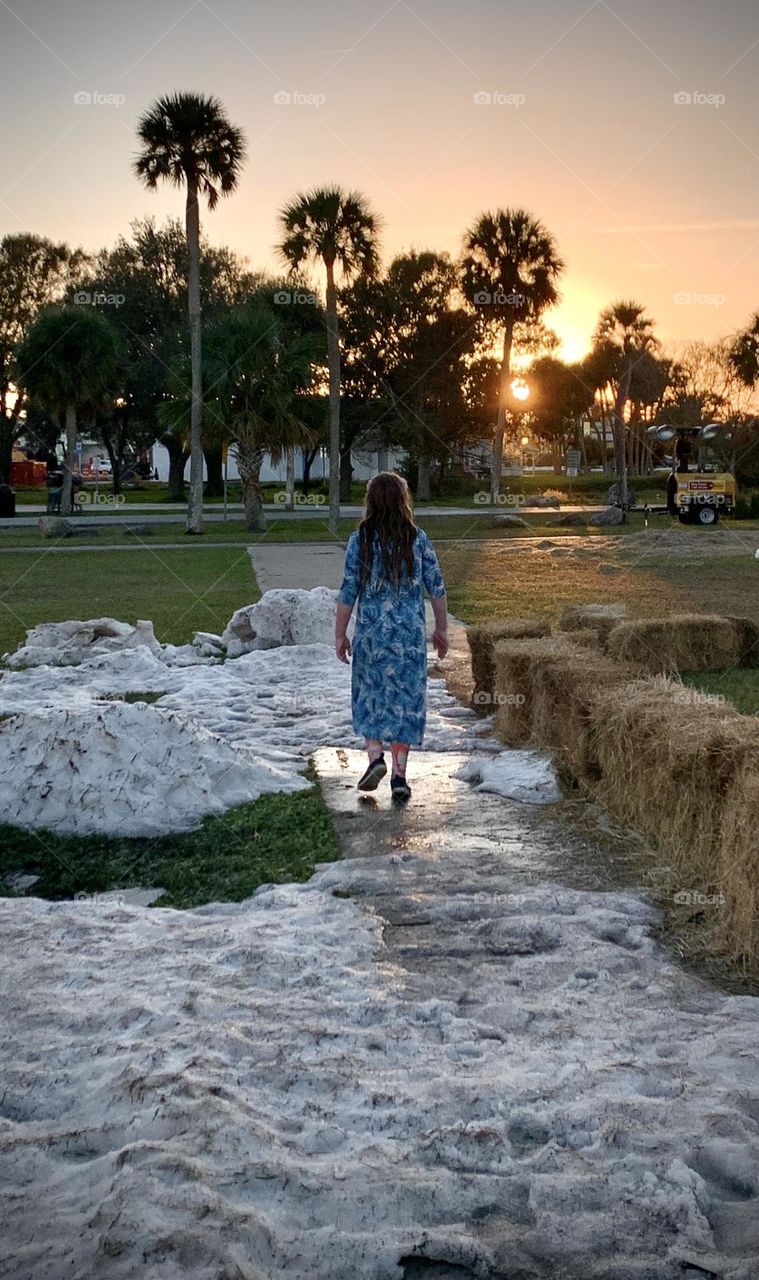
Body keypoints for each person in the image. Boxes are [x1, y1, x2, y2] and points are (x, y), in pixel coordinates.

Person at [335, 472, 449, 801]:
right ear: (403, 500)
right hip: (408, 638)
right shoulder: (417, 538)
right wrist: (440, 629)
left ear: (370, 502)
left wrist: (340, 634)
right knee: (405, 702)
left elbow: (348, 590)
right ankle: (399, 776)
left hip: (371, 636)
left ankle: (375, 759)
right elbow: (437, 586)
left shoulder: (361, 539)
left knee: (370, 696)